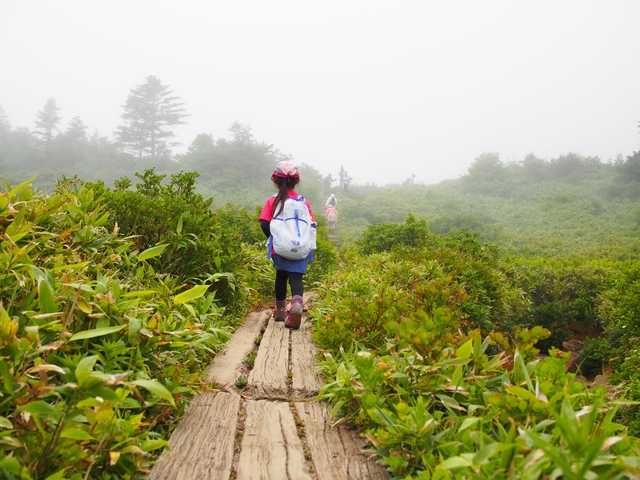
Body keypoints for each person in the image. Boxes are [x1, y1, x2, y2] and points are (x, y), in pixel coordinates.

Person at [259, 161, 316, 330]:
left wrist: (275, 239)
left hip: (280, 248)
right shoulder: (304, 203)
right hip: (301, 247)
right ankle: (297, 305)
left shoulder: (272, 201)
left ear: (275, 181)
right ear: (296, 182)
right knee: (296, 278)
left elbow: (264, 224)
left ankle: (280, 311)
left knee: (281, 276)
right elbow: (311, 225)